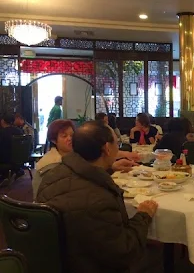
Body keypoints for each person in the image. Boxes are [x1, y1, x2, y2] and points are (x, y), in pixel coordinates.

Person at [36, 121, 158, 273]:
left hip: (58, 259)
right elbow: (124, 252)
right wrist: (143, 215)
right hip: (86, 264)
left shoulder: (53, 175)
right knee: (155, 259)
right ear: (107, 148)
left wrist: (109, 168)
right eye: (116, 143)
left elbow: (79, 181)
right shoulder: (100, 201)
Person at [33, 119, 138, 200]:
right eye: (64, 136)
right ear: (54, 140)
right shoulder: (51, 165)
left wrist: (112, 167)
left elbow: (86, 173)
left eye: (72, 135)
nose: (69, 138)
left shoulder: (73, 156)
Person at [0, 113, 23, 184]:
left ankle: (4, 176)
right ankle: (15, 171)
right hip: (20, 158)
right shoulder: (19, 131)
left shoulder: (2, 133)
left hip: (5, 160)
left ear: (3, 121)